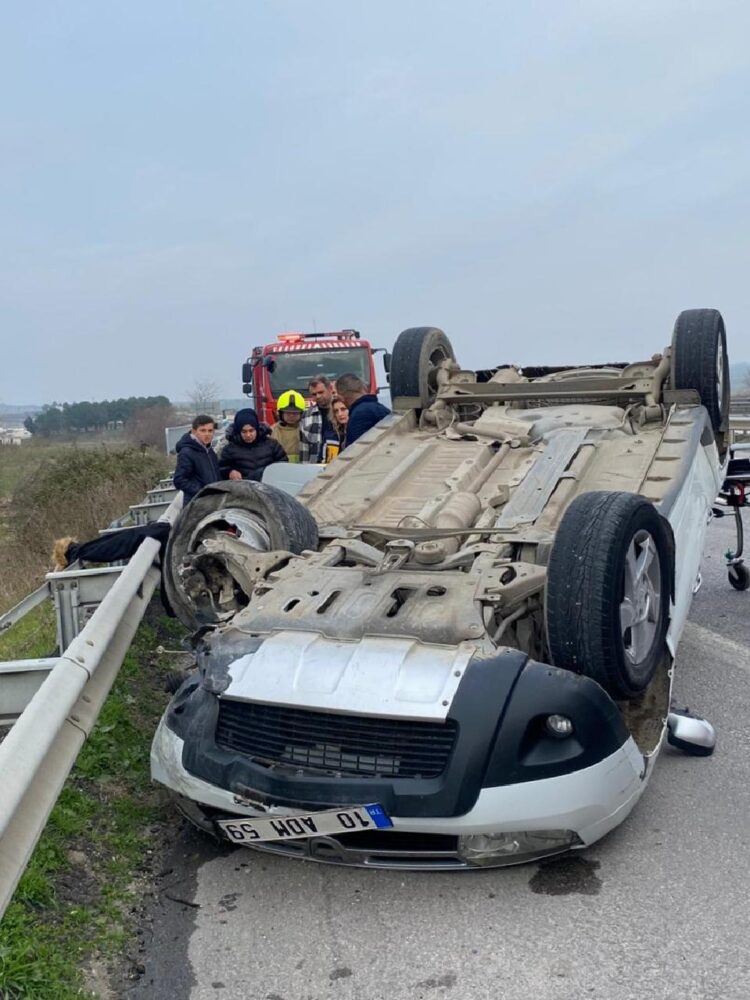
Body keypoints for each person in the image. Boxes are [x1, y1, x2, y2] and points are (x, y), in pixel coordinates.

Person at [219, 407, 287, 482]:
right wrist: (230, 472)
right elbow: (221, 469)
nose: (248, 435)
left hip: (269, 488)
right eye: (244, 432)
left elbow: (283, 464)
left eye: (251, 431)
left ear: (257, 429)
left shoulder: (272, 445)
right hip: (243, 490)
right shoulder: (229, 450)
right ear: (238, 432)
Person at [173, 414, 221, 504]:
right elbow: (179, 480)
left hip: (211, 502)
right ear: (194, 431)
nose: (207, 434)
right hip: (196, 505)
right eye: (203, 430)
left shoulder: (209, 451)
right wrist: (202, 491)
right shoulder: (187, 452)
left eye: (210, 431)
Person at [336, 373, 391, 447]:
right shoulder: (381, 408)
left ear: (341, 398)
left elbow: (356, 451)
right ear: (363, 388)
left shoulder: (358, 416)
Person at [299, 376, 336, 463]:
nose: (318, 396)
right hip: (314, 468)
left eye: (321, 392)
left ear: (330, 389)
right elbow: (304, 448)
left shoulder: (341, 410)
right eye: (314, 394)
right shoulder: (306, 415)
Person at [271, 389, 305, 462]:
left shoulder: (305, 429)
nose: (291, 416)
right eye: (288, 413)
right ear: (280, 413)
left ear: (301, 414)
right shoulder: (273, 431)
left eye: (295, 413)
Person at [324, 396, 349, 463]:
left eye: (343, 409)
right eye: (336, 411)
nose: (340, 414)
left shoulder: (357, 431)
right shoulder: (332, 433)